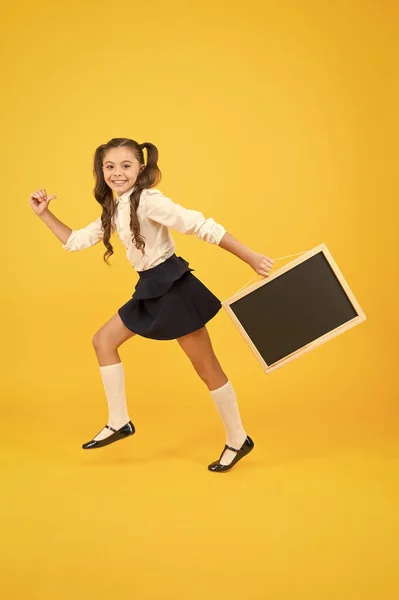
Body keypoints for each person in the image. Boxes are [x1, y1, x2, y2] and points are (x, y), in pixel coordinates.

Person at [30, 137, 274, 472]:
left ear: (140, 168)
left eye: (126, 165)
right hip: (150, 288)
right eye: (109, 166)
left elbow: (200, 225)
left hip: (173, 289)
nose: (117, 173)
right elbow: (75, 241)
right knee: (103, 341)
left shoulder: (148, 201)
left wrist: (250, 257)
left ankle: (237, 438)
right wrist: (45, 215)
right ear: (101, 171)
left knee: (207, 369)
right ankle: (120, 422)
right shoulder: (116, 207)